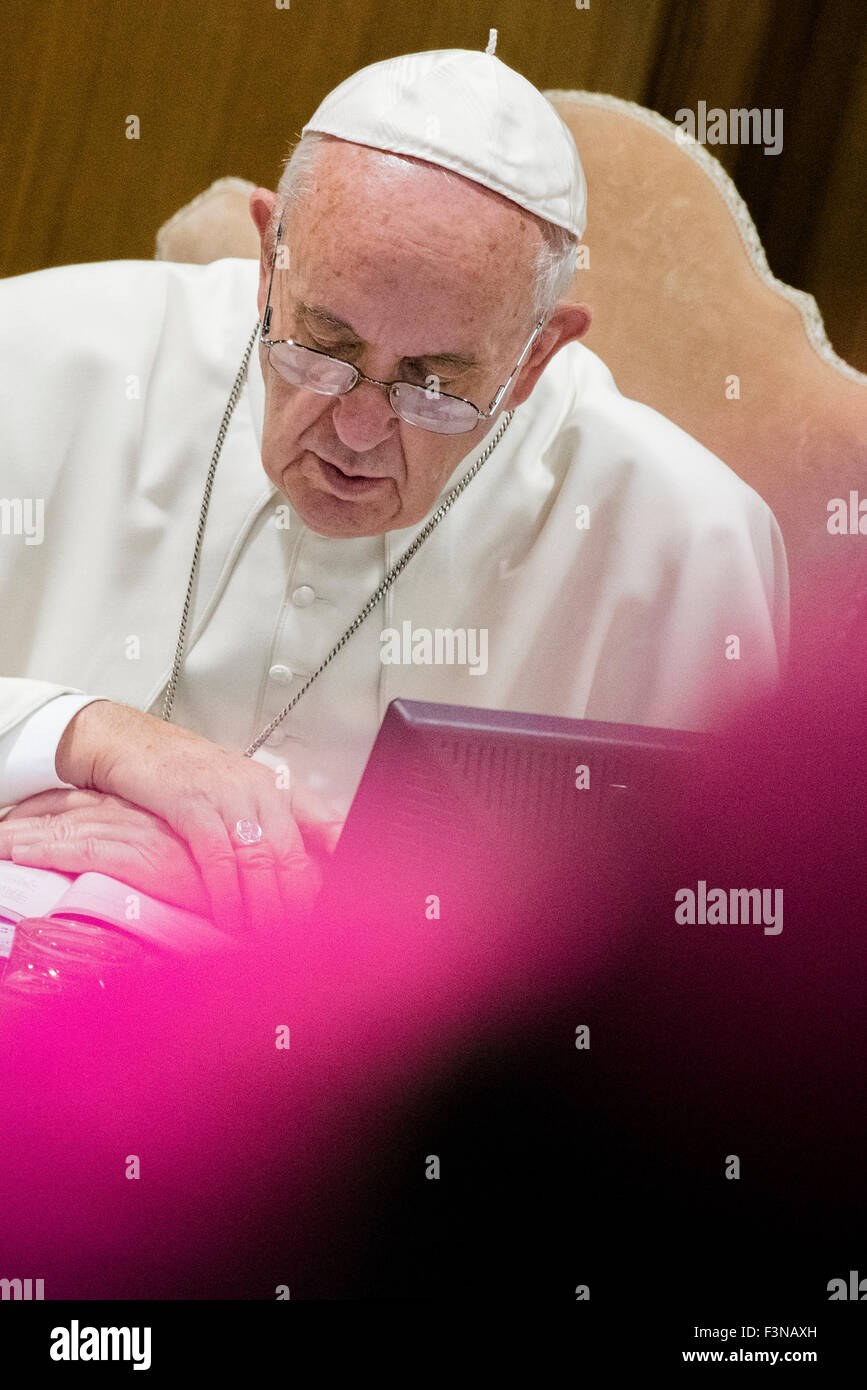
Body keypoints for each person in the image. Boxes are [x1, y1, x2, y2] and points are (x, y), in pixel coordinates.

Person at [0, 45, 788, 933]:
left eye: (434, 384)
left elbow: (716, 934)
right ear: (269, 260)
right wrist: (82, 733)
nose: (358, 429)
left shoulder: (680, 536)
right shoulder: (37, 352)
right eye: (325, 347)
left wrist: (332, 903)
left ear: (533, 356)